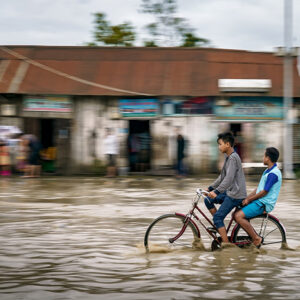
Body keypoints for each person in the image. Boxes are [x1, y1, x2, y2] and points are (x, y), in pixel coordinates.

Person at [234, 147, 282, 248]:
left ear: (268, 158)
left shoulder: (273, 174)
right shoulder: (268, 171)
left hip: (263, 203)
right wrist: (246, 198)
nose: (262, 158)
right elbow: (258, 189)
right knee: (235, 213)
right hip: (259, 201)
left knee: (238, 216)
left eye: (264, 156)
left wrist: (249, 200)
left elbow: (264, 192)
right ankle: (251, 236)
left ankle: (256, 238)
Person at [204, 132, 247, 244]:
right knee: (208, 199)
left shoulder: (233, 158)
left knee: (217, 218)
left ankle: (226, 245)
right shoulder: (227, 157)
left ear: (227, 144)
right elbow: (222, 176)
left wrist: (217, 191)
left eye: (220, 144)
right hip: (230, 192)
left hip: (236, 195)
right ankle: (220, 227)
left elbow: (228, 179)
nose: (219, 147)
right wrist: (210, 188)